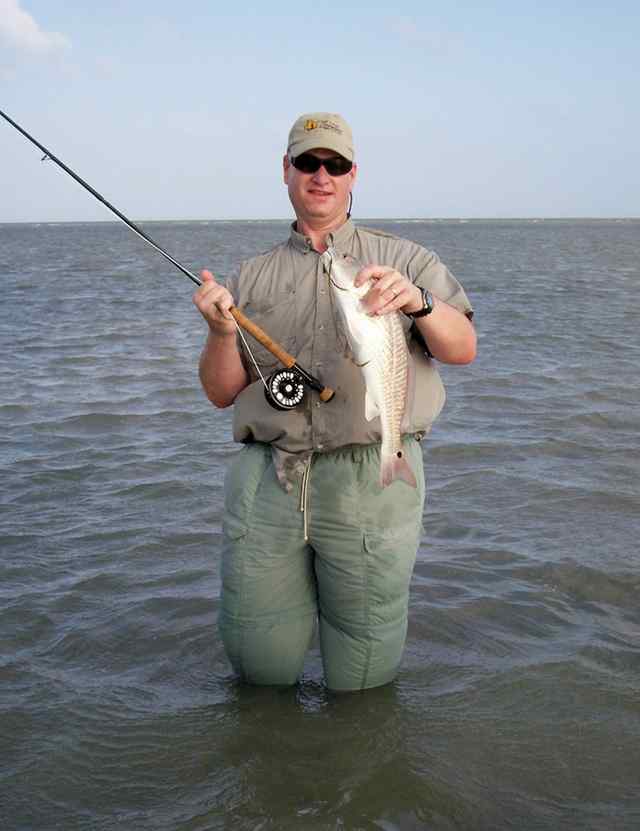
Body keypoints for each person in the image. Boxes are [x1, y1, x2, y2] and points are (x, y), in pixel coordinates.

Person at [193, 112, 476, 692]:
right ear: (287, 172)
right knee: (257, 657)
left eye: (336, 164)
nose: (321, 175)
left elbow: (463, 348)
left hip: (368, 475)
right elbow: (222, 392)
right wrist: (222, 333)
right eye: (307, 162)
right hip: (269, 478)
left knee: (364, 666)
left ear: (353, 175)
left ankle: (357, 767)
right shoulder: (252, 274)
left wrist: (419, 302)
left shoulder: (406, 259)